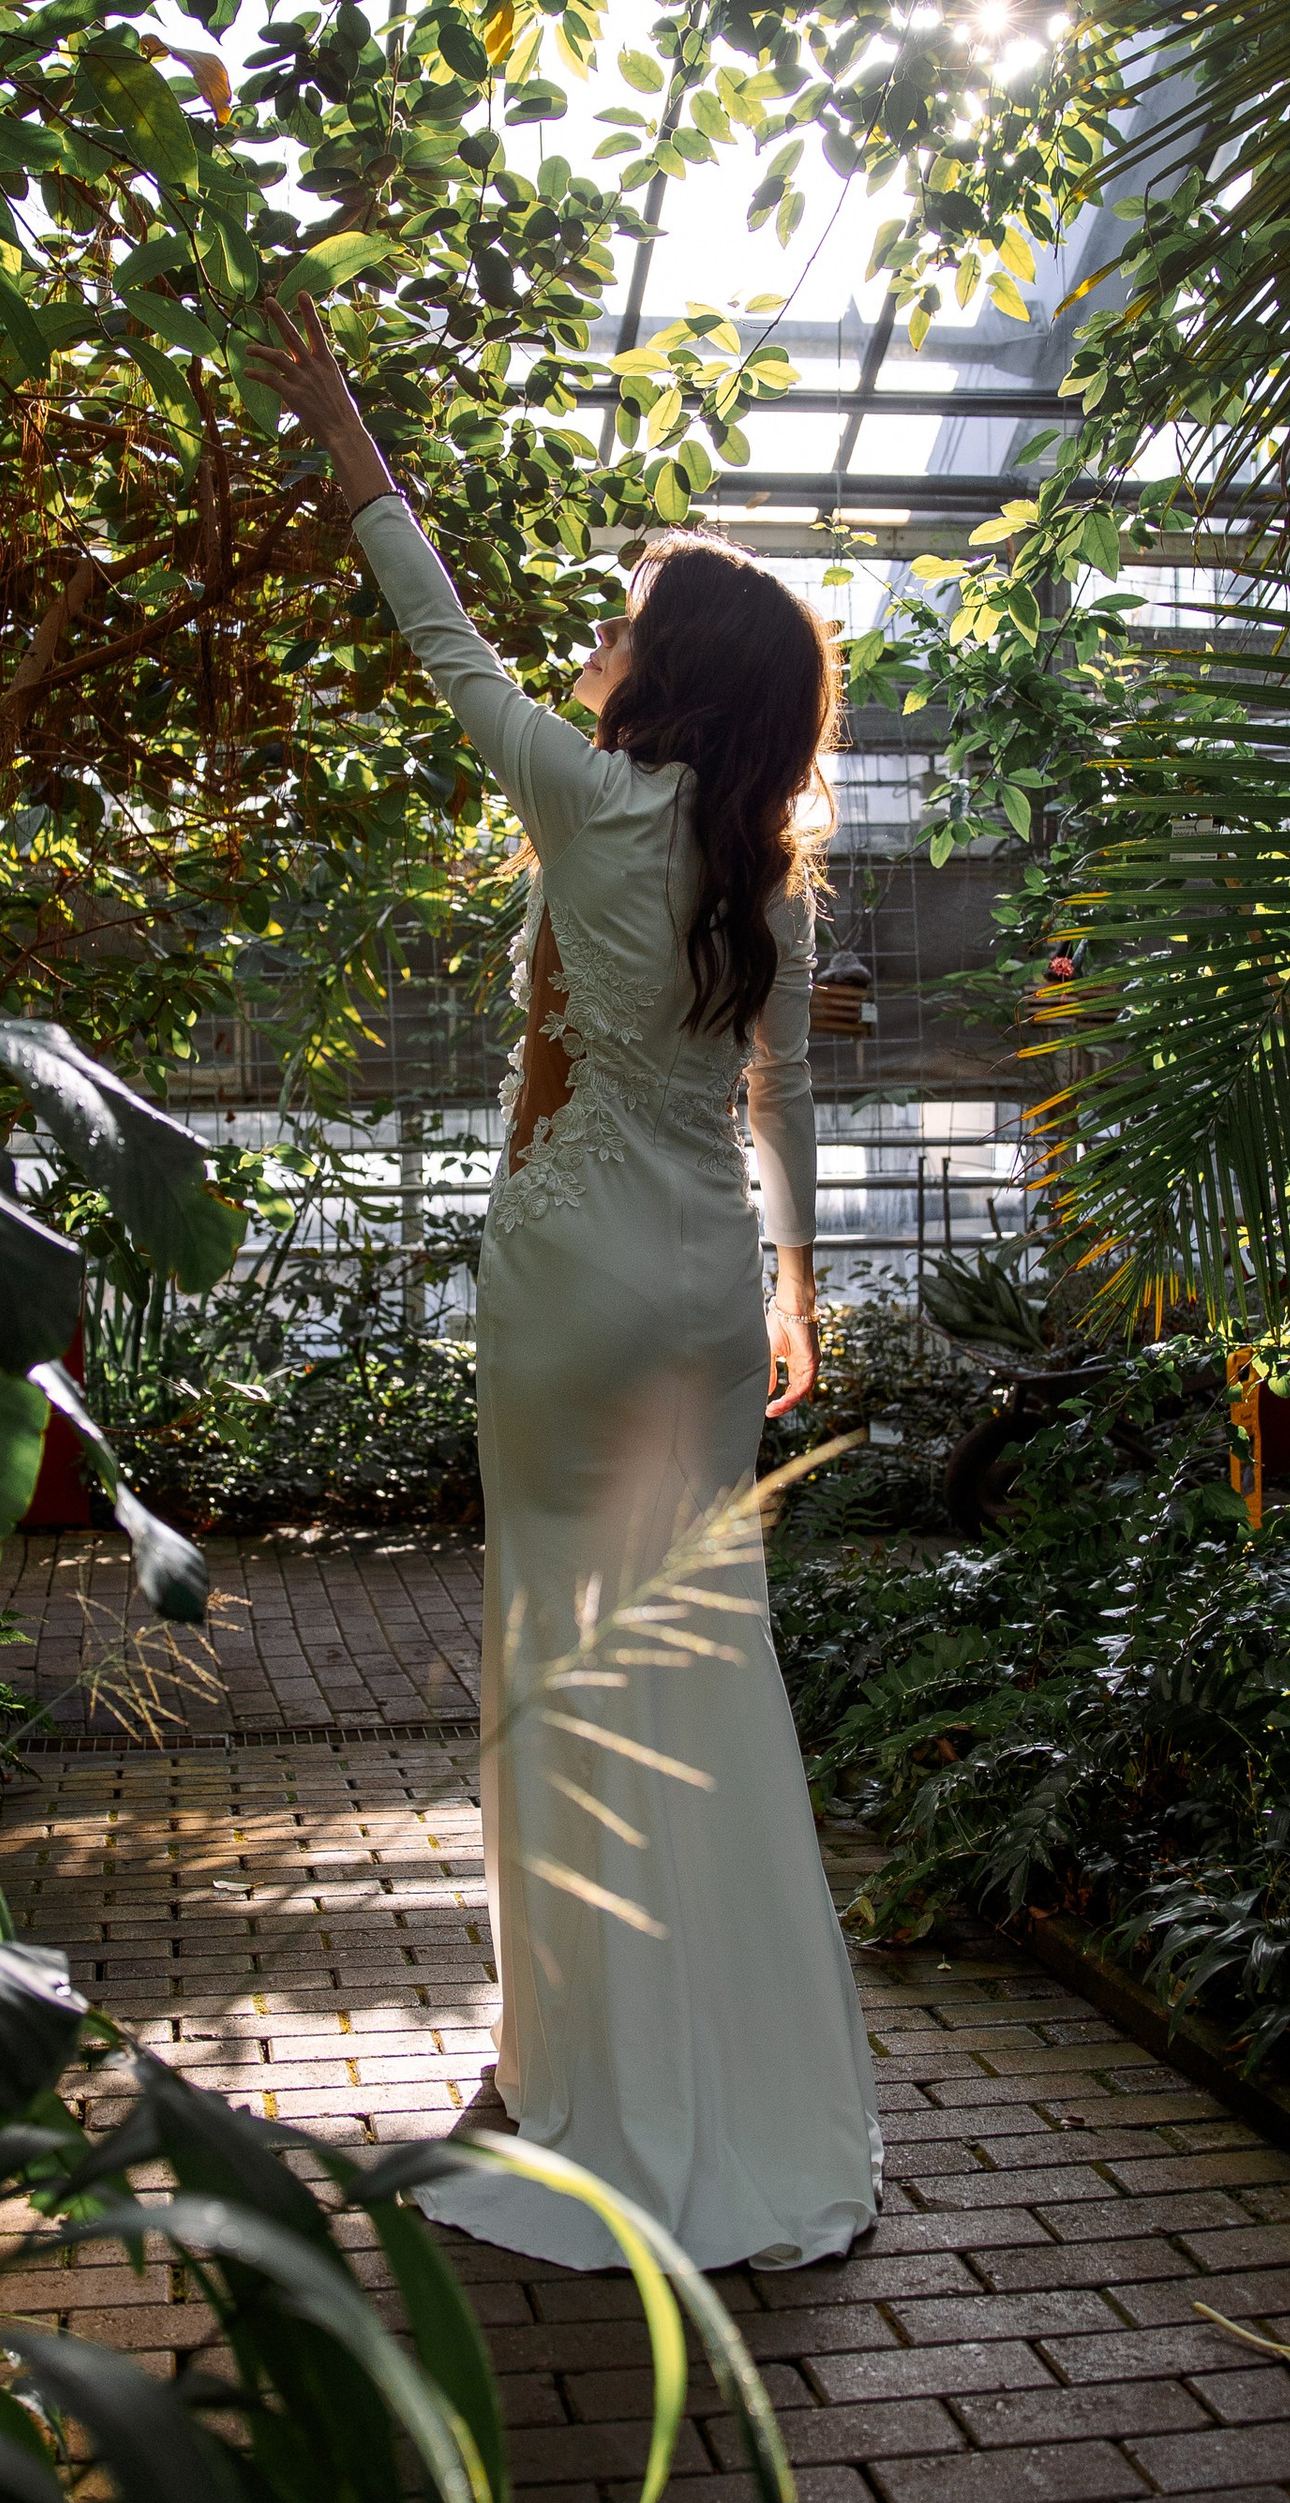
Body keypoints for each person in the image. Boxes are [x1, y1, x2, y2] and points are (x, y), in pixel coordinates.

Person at [246, 301, 880, 2274]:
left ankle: (571, 2070)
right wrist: (789, 1288)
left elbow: (424, 615)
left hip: (574, 1278)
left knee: (560, 1668)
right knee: (697, 1670)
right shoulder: (763, 862)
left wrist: (331, 409)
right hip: (695, 1284)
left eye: (624, 620)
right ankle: (717, 2074)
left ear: (664, 668)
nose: (594, 644)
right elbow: (752, 1089)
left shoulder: (579, 800)